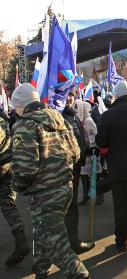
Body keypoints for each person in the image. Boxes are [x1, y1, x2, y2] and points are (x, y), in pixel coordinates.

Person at [10, 83, 90, 278]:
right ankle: (41, 269)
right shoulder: (59, 118)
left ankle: (80, 273)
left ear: (21, 105)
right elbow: (76, 153)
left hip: (44, 192)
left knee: (56, 241)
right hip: (65, 187)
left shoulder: (25, 125)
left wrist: (19, 186)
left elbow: (25, 167)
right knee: (43, 231)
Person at [96, 81, 127, 252]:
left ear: (116, 95)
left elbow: (101, 142)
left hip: (118, 169)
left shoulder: (108, 115)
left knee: (121, 206)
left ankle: (122, 241)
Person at [62, 90, 95, 254]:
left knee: (71, 207)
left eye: (71, 94)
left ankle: (73, 242)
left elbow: (79, 138)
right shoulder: (56, 116)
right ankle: (59, 248)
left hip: (74, 170)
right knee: (61, 209)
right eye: (63, 93)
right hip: (60, 172)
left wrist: (90, 150)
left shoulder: (72, 115)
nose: (68, 97)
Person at [0, 109, 31, 266]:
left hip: (3, 168)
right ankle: (21, 240)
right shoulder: (3, 120)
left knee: (8, 205)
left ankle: (21, 242)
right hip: (8, 168)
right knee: (9, 205)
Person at [73, 100, 102, 206]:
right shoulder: (78, 121)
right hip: (83, 152)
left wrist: (93, 147)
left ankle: (98, 196)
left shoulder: (88, 121)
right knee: (84, 176)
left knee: (95, 175)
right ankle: (86, 197)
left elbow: (93, 135)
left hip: (91, 152)